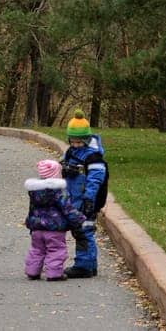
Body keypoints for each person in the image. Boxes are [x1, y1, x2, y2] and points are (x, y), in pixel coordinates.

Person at [59, 112, 108, 278]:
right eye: (72, 141)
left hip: (86, 199)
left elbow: (95, 179)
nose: (76, 144)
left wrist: (89, 199)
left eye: (79, 141)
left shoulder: (93, 156)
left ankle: (84, 265)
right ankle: (90, 264)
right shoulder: (72, 151)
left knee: (83, 230)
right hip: (74, 197)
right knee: (79, 230)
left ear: (86, 139)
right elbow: (64, 164)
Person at [24, 158, 85, 281]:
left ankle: (32, 272)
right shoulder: (59, 191)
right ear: (57, 174)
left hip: (37, 228)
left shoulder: (34, 191)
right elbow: (67, 208)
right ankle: (54, 274)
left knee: (36, 250)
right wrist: (80, 219)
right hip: (54, 228)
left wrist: (30, 222)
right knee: (56, 250)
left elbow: (32, 209)